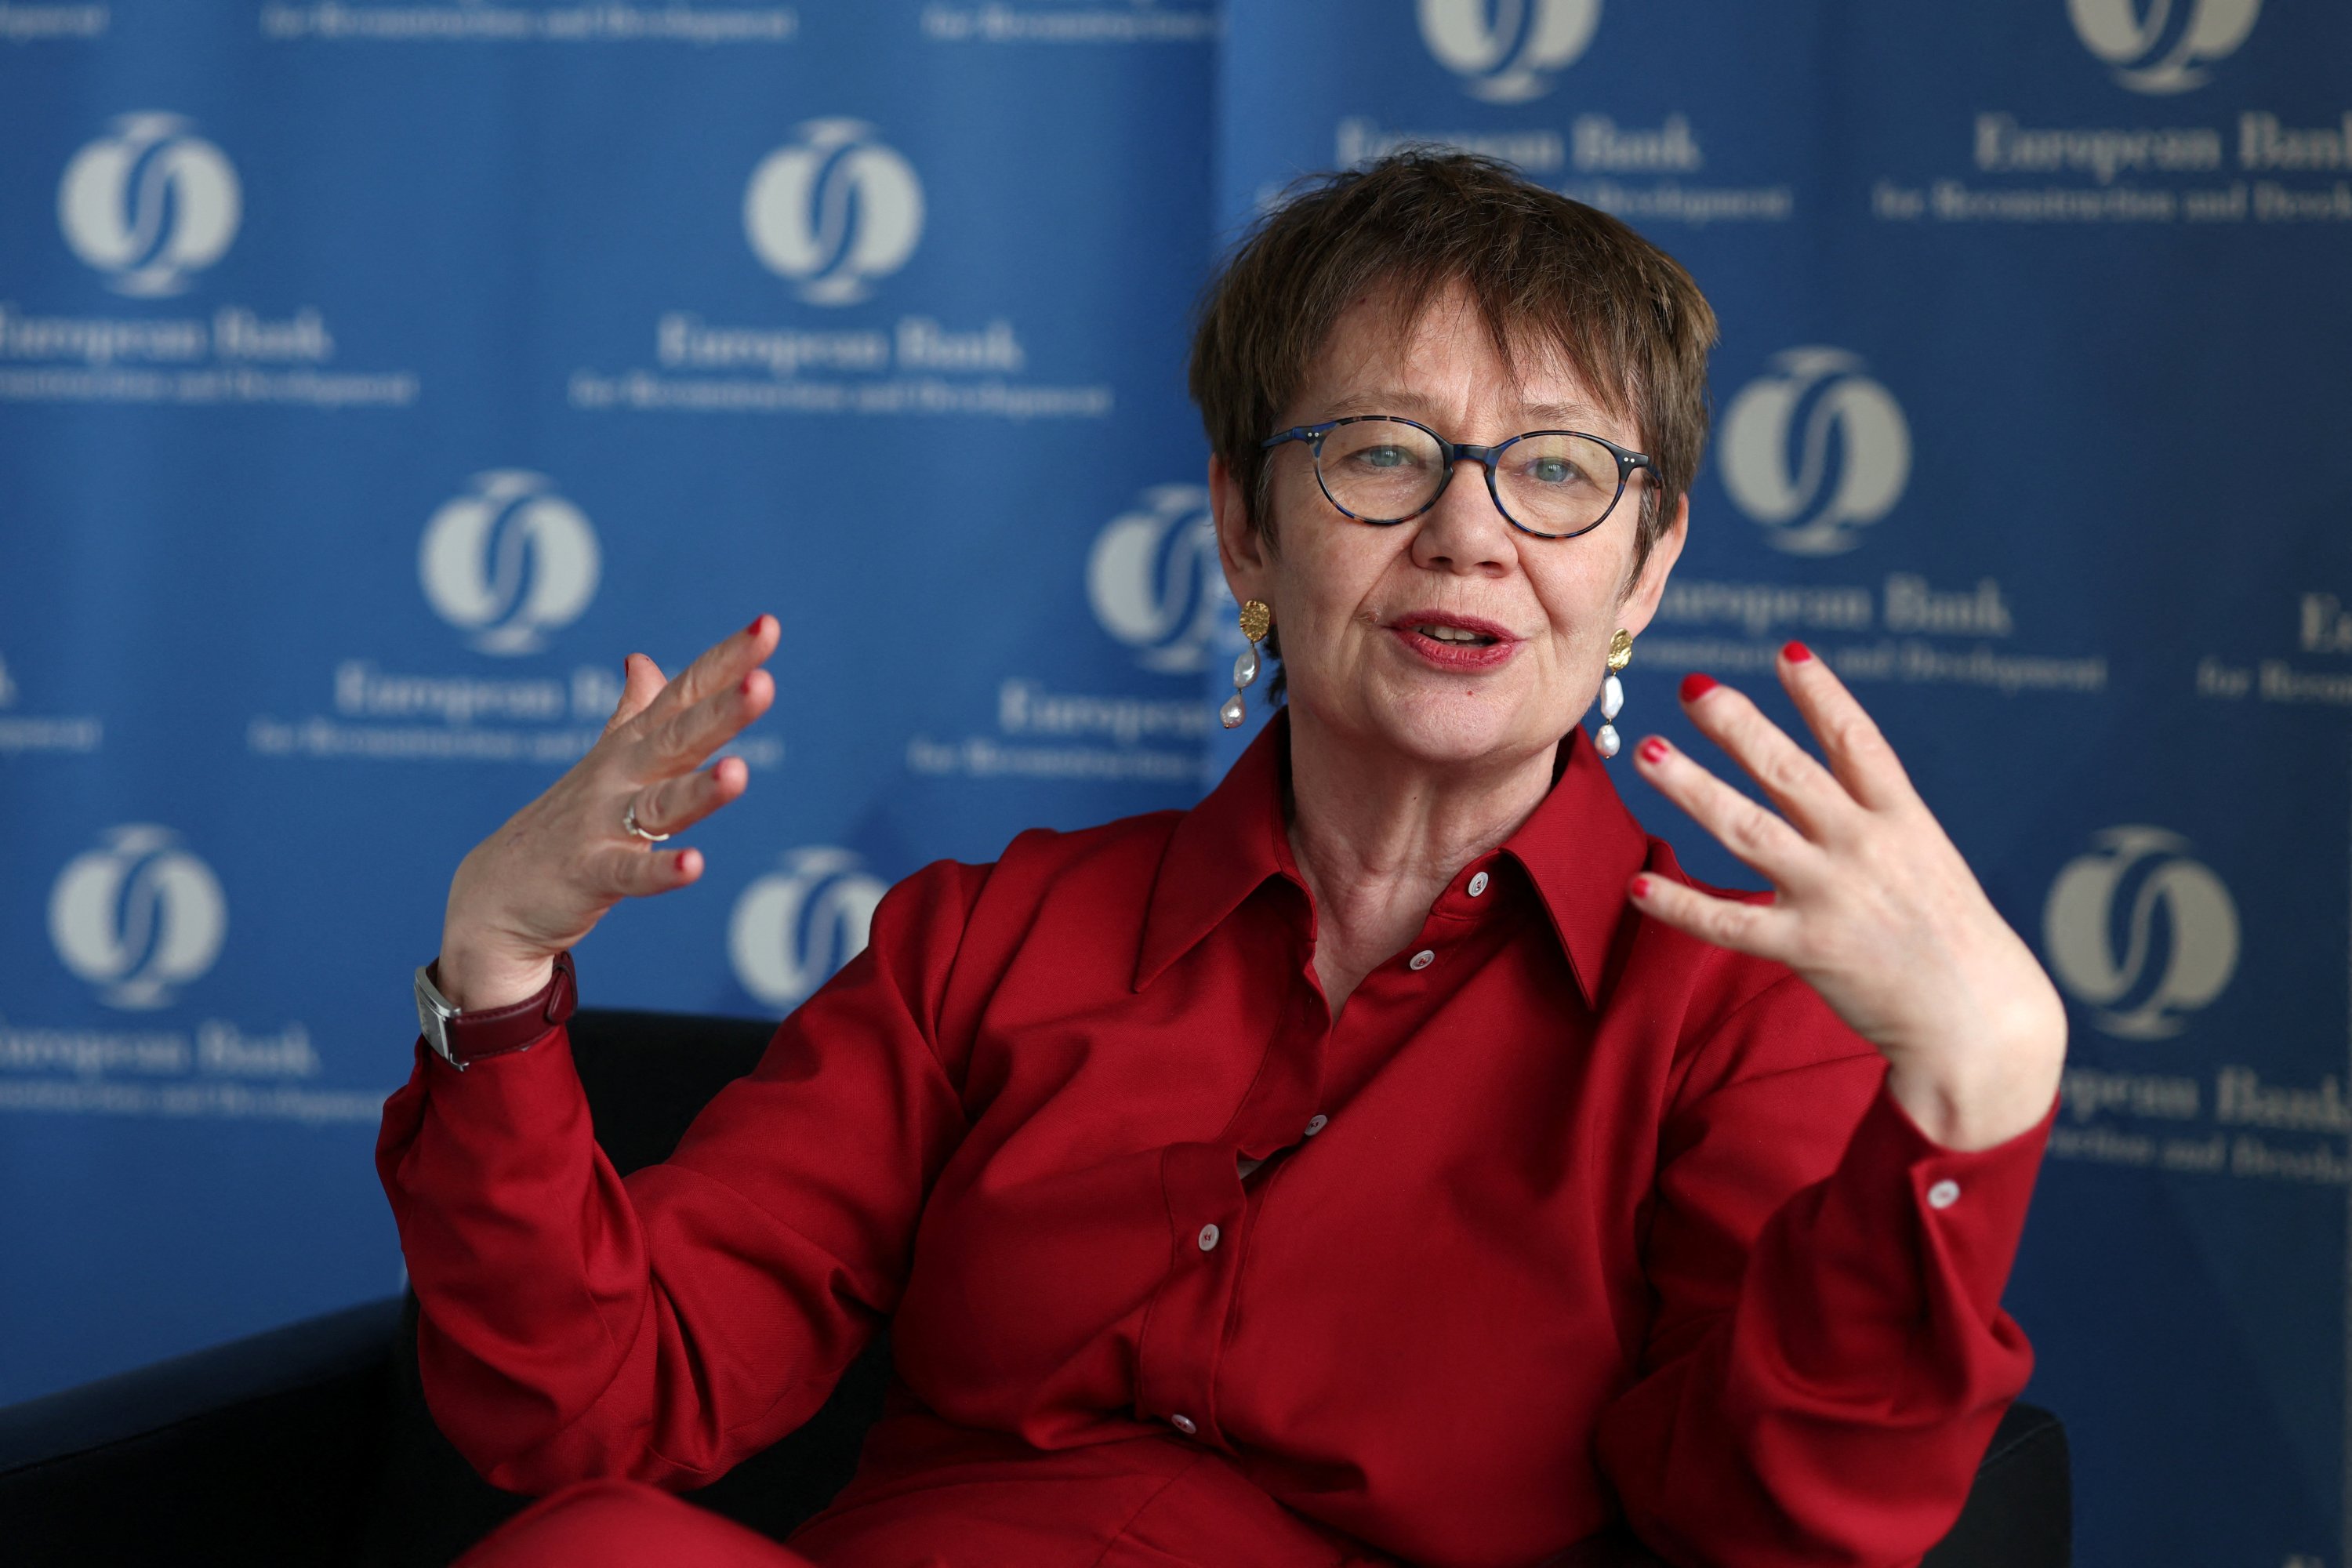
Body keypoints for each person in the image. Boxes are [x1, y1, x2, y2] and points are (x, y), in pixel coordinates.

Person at [378, 151, 2065, 1568]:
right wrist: (500, 971)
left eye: (1556, 469)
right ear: (1248, 528)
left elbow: (1774, 1525)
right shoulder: (990, 937)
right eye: (1384, 454)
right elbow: (593, 1403)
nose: (1469, 529)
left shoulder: (1732, 1012)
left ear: (1644, 566)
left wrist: (1973, 1101)